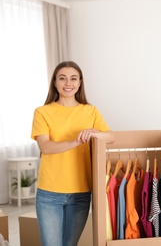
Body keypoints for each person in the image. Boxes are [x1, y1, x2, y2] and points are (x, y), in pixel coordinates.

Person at [31, 61, 115, 246]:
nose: (68, 83)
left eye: (73, 78)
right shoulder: (42, 112)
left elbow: (111, 137)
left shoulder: (90, 111)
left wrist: (96, 133)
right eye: (62, 78)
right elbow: (46, 147)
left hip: (81, 192)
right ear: (55, 82)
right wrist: (77, 141)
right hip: (49, 193)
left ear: (79, 82)